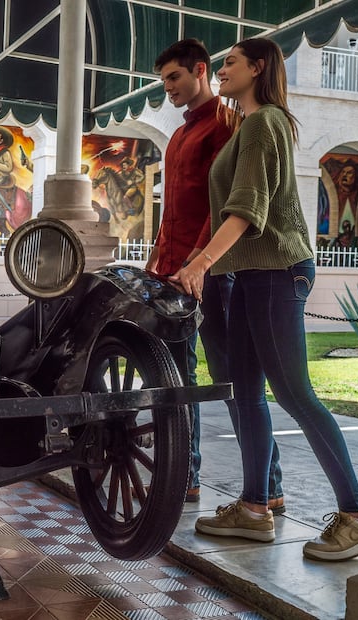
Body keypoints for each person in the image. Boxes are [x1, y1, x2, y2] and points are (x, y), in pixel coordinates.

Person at [171, 37, 358, 561]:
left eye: (231, 62)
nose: (222, 70)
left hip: (276, 273)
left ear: (258, 68)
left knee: (294, 394)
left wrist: (199, 262)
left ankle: (357, 516)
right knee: (242, 391)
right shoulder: (249, 125)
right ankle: (254, 507)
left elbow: (245, 210)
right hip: (250, 274)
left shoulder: (266, 123)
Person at [148, 39, 284, 508]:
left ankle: (271, 486)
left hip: (212, 272)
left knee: (232, 380)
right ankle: (185, 476)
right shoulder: (179, 133)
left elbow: (224, 204)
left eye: (174, 78)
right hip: (172, 272)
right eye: (164, 80)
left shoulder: (228, 124)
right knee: (177, 380)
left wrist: (199, 260)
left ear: (199, 70)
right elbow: (176, 209)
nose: (167, 87)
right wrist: (157, 258)